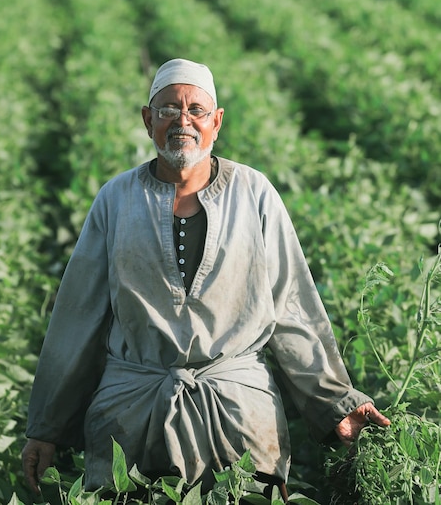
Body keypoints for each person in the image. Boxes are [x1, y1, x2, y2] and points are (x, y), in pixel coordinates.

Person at [22, 58, 390, 499]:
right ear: (147, 120)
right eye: (168, 109)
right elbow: (77, 318)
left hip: (238, 414)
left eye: (196, 110)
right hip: (131, 416)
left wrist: (334, 402)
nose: (183, 121)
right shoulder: (116, 200)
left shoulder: (254, 193)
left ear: (216, 123)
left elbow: (291, 308)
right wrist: (46, 427)